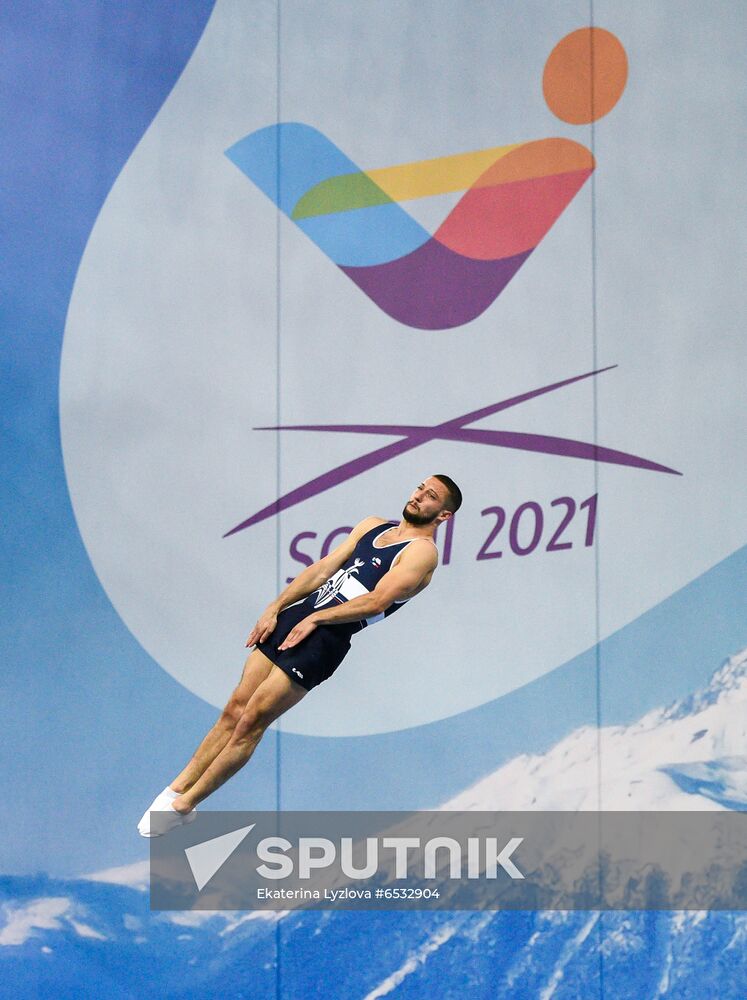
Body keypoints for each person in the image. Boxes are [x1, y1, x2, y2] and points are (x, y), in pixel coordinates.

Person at [137, 474, 462, 836]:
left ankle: (185, 804)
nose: (418, 496)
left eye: (430, 496)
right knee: (234, 708)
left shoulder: (421, 553)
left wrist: (317, 619)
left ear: (443, 515)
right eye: (419, 488)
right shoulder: (372, 526)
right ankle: (173, 790)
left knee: (252, 721)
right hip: (299, 616)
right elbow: (323, 569)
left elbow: (377, 601)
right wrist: (275, 607)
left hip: (326, 638)